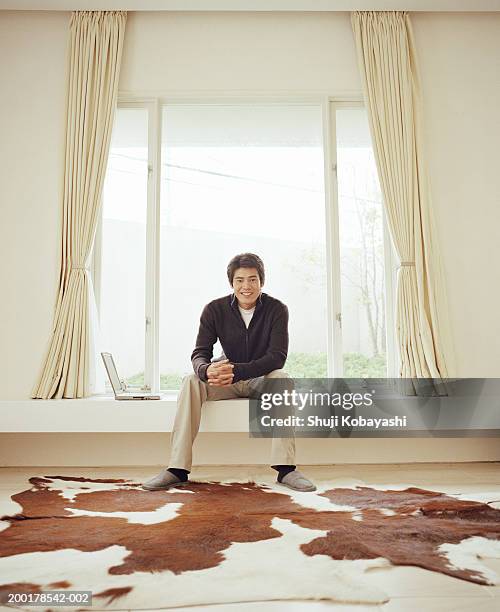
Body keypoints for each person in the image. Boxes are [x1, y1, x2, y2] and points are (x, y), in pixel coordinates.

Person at [142, 253, 316, 492]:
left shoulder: (277, 309)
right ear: (232, 283)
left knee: (282, 380)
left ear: (261, 282)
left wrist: (237, 371)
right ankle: (177, 469)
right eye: (240, 280)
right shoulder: (214, 309)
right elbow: (199, 352)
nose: (247, 286)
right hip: (226, 380)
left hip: (259, 379)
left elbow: (277, 357)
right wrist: (207, 370)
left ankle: (286, 470)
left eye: (253, 279)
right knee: (191, 380)